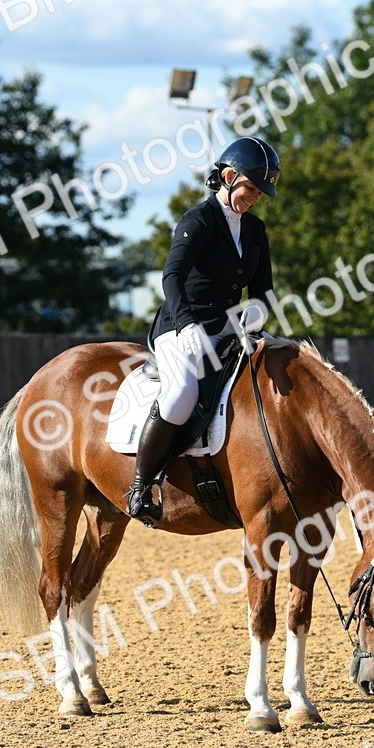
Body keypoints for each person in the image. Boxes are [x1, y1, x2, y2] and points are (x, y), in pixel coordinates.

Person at [126, 136, 281, 527]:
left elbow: (262, 288)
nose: (256, 198)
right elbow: (172, 276)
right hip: (182, 325)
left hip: (229, 330)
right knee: (180, 394)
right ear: (229, 177)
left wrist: (259, 312)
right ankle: (141, 486)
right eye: (251, 189)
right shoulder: (198, 220)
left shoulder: (256, 230)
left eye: (261, 193)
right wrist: (186, 323)